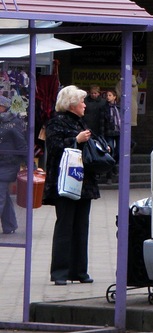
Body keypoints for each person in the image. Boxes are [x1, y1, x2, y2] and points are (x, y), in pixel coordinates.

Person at [43, 85, 98, 285]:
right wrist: (75, 139)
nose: (85, 105)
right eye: (82, 101)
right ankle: (60, 273)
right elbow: (55, 148)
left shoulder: (80, 122)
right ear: (72, 104)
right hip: (66, 183)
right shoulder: (56, 123)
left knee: (82, 227)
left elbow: (91, 144)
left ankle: (79, 271)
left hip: (84, 183)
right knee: (65, 226)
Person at [0, 95, 28, 235]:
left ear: (4, 107)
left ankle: (10, 225)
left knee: (0, 195)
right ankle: (10, 225)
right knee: (3, 194)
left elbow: (21, 144)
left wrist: (30, 164)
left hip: (7, 164)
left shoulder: (13, 122)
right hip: (3, 163)